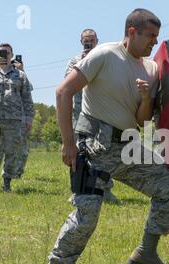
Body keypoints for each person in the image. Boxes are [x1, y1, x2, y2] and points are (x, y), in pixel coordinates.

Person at [39, 9, 169, 264]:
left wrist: (146, 98)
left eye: (157, 37)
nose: (154, 43)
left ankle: (146, 252)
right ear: (132, 32)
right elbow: (63, 92)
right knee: (87, 216)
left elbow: (142, 119)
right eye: (150, 36)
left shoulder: (151, 70)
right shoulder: (104, 55)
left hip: (128, 145)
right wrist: (68, 142)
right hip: (94, 145)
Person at [65, 28, 120, 204]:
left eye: (91, 40)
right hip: (80, 114)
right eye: (85, 40)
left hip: (101, 113)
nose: (88, 43)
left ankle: (106, 190)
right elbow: (66, 83)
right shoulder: (74, 61)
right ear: (81, 42)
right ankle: (78, 190)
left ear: (97, 40)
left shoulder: (105, 58)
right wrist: (82, 63)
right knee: (79, 153)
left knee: (102, 151)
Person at [0, 43, 34, 192]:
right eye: (1, 52)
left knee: (12, 152)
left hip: (13, 120)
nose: (4, 55)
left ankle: (7, 184)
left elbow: (27, 98)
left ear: (11, 55)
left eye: (7, 53)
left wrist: (28, 118)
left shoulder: (20, 75)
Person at [0, 59, 33, 179]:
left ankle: (17, 173)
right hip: (4, 117)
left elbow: (29, 90)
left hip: (21, 118)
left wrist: (22, 71)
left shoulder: (21, 76)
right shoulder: (1, 74)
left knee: (21, 148)